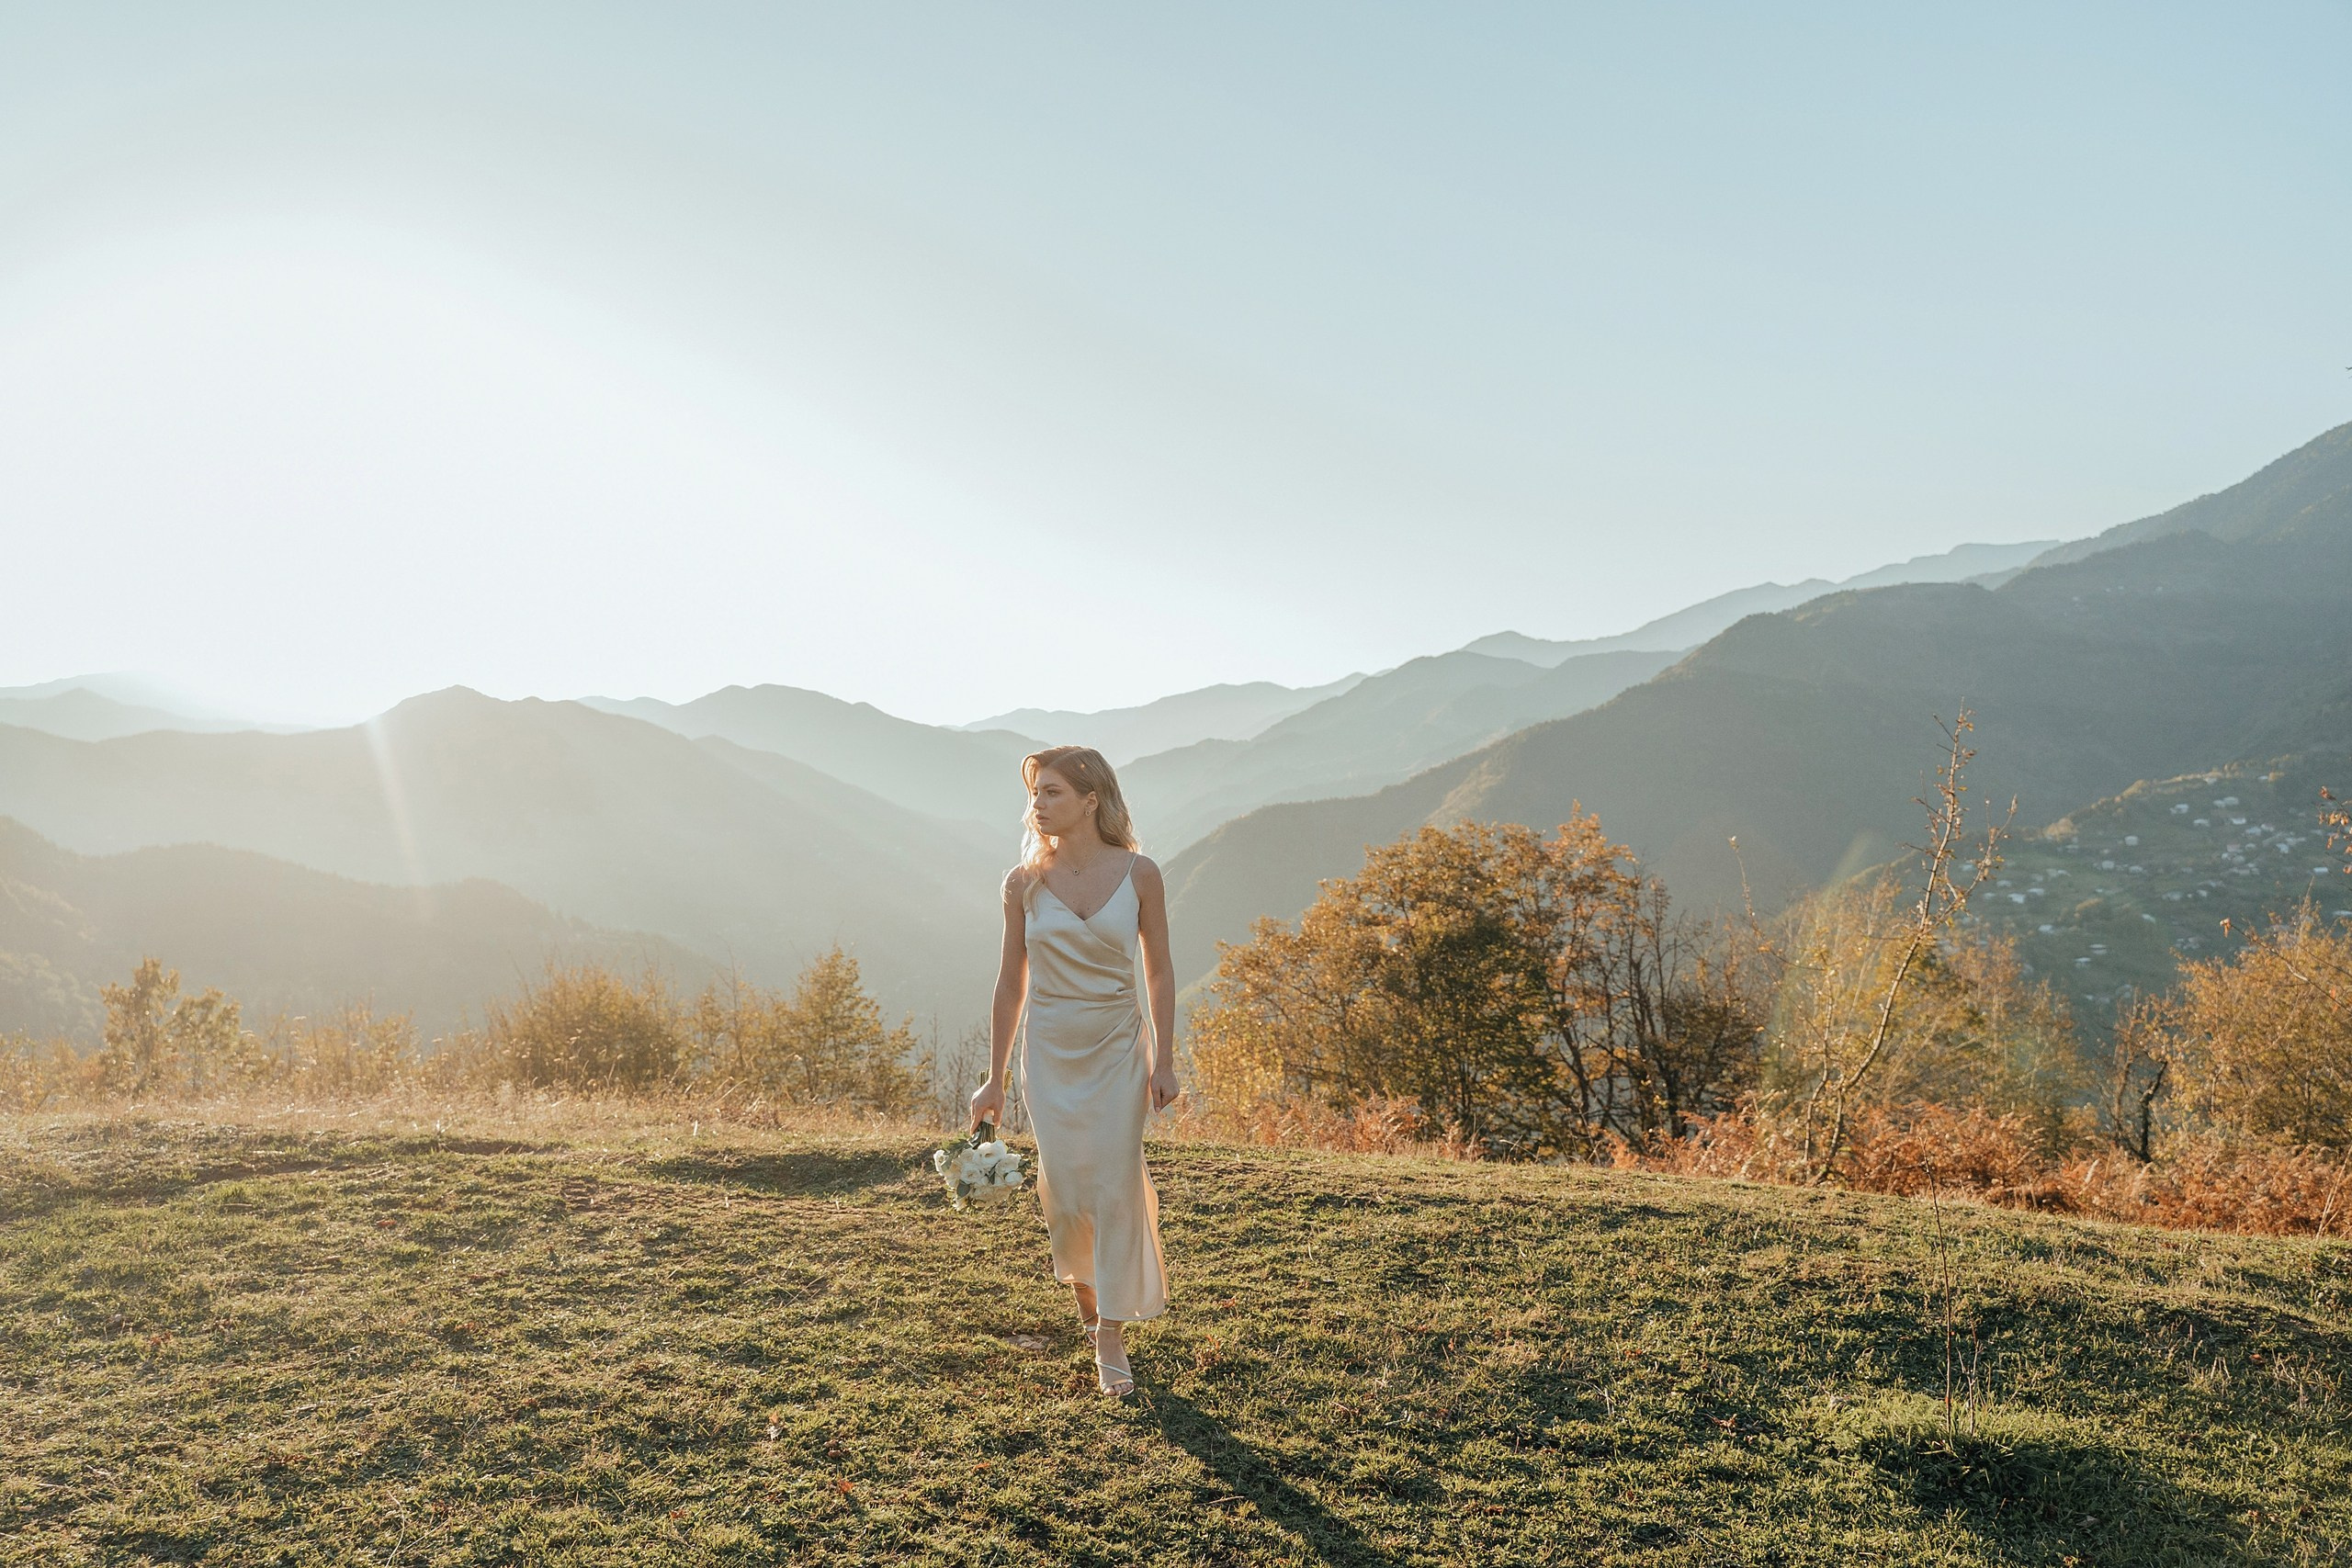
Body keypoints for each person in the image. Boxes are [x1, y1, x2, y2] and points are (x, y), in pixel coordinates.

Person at [970, 745, 1179, 1397]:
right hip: (1050, 1050)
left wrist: (1165, 1058)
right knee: (1065, 1188)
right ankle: (1089, 1304)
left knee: (1115, 1180)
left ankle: (1110, 1332)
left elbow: (1161, 970)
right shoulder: (1022, 882)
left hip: (1119, 1045)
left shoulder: (1141, 874)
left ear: (1092, 800)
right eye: (1035, 793)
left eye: (1052, 791)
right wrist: (993, 1077)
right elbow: (1010, 983)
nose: (1038, 804)